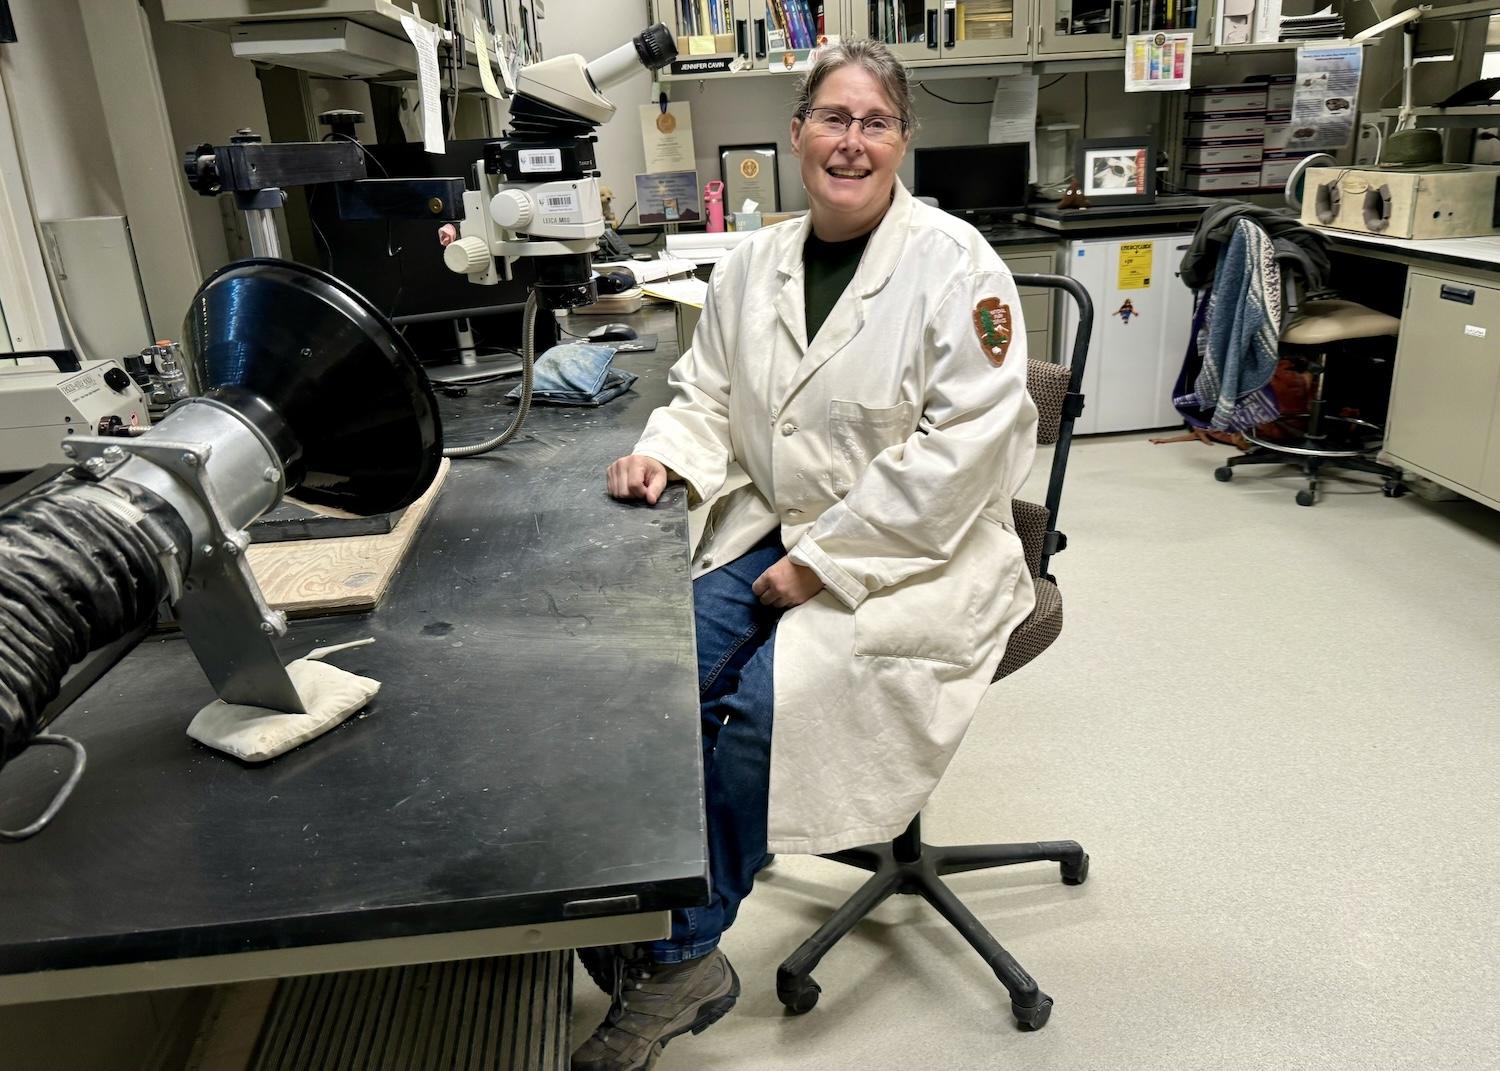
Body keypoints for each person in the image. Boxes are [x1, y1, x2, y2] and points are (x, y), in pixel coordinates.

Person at [576, 38, 1039, 1071]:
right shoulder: (752, 263)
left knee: (757, 717)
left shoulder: (957, 266)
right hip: (773, 522)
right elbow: (708, 396)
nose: (851, 141)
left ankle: (682, 954)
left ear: (903, 141)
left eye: (875, 123)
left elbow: (962, 460)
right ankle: (652, 916)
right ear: (796, 134)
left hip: (917, 553)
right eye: (833, 118)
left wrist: (824, 565)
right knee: (661, 680)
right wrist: (664, 457)